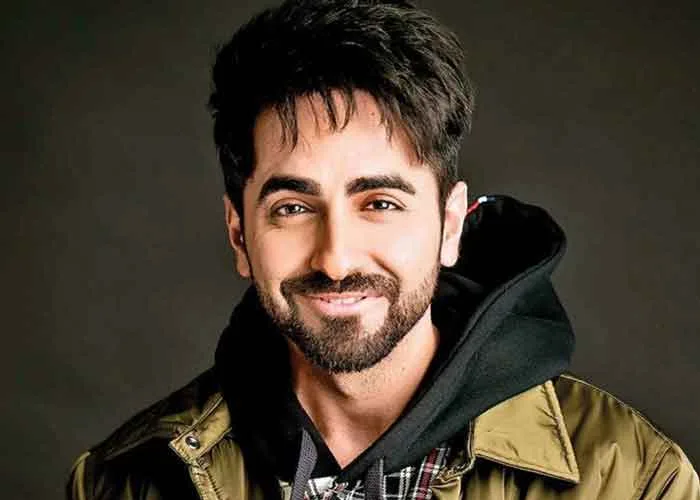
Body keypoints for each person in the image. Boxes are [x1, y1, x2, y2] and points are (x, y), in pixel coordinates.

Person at [67, 0, 699, 498]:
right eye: (293, 208)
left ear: (450, 226)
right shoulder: (122, 484)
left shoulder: (633, 479)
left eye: (381, 203)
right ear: (239, 235)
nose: (336, 259)